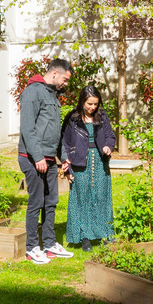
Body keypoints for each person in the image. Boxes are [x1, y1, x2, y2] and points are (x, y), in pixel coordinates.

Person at [18, 58, 76, 264]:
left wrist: (64, 159)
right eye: (65, 79)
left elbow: (54, 132)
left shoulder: (52, 95)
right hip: (32, 158)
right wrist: (38, 157)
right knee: (37, 202)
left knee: (51, 202)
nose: (66, 84)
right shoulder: (33, 92)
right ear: (54, 74)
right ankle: (32, 248)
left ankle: (50, 245)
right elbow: (27, 129)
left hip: (49, 159)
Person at [60, 85, 117, 252]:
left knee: (101, 196)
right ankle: (85, 236)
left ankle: (103, 233)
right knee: (81, 198)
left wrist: (108, 146)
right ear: (82, 101)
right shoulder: (73, 118)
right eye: (89, 104)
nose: (92, 107)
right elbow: (65, 142)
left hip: (100, 162)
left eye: (95, 104)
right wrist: (67, 167)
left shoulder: (102, 117)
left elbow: (110, 136)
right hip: (79, 162)